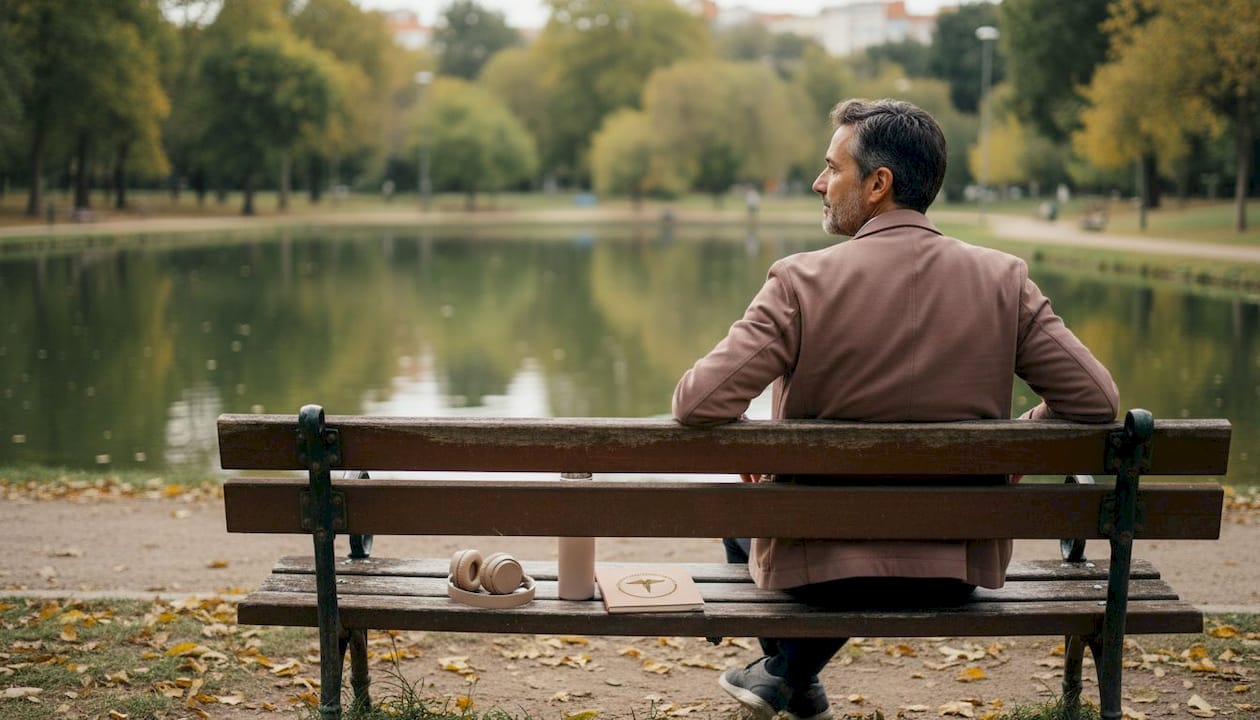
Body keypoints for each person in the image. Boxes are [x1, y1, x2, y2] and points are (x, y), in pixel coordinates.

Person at [671, 98, 1119, 720]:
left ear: (878, 184)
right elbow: (1096, 402)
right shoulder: (1003, 279)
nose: (818, 183)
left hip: (818, 566)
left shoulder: (801, 282)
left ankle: (787, 672)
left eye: (832, 168)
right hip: (955, 566)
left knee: (741, 520)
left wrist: (755, 444)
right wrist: (1019, 443)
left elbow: (696, 403)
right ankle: (792, 680)